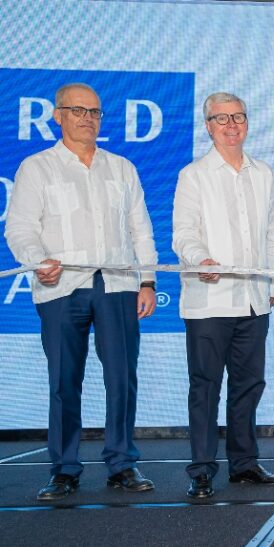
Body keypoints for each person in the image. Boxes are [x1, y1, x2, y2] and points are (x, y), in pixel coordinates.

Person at [5, 83, 159, 500]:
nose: (87, 118)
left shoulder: (121, 167)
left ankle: (122, 463)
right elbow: (19, 227)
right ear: (57, 116)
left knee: (122, 378)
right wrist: (38, 259)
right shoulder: (37, 168)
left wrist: (147, 281)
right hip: (60, 288)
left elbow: (140, 228)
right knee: (63, 380)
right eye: (78, 111)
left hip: (117, 285)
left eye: (94, 112)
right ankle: (64, 468)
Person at [172, 92, 274, 499]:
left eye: (238, 116)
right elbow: (183, 232)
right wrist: (199, 258)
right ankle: (202, 469)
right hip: (210, 300)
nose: (231, 125)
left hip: (255, 300)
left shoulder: (264, 174)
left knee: (248, 385)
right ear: (208, 126)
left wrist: (272, 285)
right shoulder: (194, 175)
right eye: (222, 119)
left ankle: (243, 463)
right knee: (205, 386)